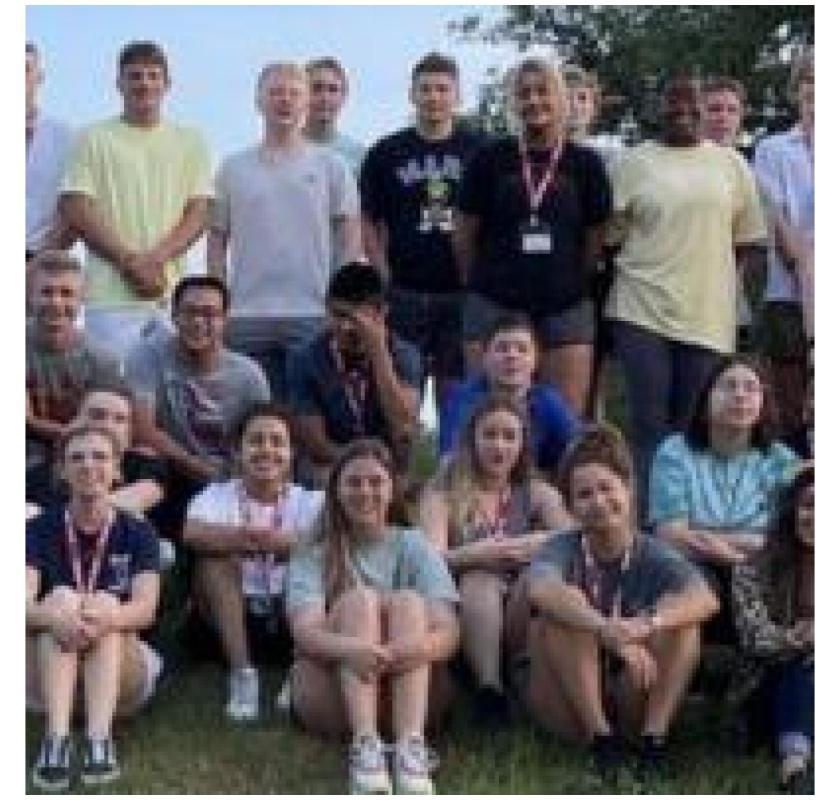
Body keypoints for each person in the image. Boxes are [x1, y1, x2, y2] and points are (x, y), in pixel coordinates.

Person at [605, 76, 766, 511]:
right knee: (649, 427)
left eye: (692, 106)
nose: (683, 114)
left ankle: (693, 526)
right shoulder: (632, 163)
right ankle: (646, 532)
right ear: (657, 111)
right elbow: (611, 236)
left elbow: (747, 241)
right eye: (673, 107)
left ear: (703, 109)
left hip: (708, 316)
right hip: (641, 307)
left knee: (695, 426)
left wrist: (729, 298)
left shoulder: (731, 165)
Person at [523, 425, 718, 777]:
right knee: (564, 609)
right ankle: (601, 741)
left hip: (632, 686)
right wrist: (604, 629)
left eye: (606, 489)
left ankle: (653, 741)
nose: (598, 502)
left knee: (681, 621)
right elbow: (540, 589)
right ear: (569, 506)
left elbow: (705, 597)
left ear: (628, 491)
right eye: (584, 495)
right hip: (570, 697)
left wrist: (647, 624)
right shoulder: (561, 547)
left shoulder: (654, 552)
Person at [285, 439, 460, 794]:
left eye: (376, 482)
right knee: (360, 602)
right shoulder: (313, 550)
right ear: (335, 491)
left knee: (409, 602)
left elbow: (449, 631)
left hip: (407, 688)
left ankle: (410, 747)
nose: (365, 491)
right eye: (353, 482)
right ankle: (365, 747)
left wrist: (404, 650)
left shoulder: (414, 544)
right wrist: (354, 650)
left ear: (392, 488)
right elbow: (304, 632)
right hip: (334, 690)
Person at [454, 56, 612, 415]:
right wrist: (478, 281)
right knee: (487, 420)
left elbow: (595, 236)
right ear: (513, 102)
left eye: (543, 92)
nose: (534, 101)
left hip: (565, 305)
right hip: (494, 303)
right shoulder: (488, 159)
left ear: (561, 99)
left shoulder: (586, 164)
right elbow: (464, 233)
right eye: (524, 93)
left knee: (563, 423)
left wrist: (571, 279)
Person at [208, 61, 361, 400]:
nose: (285, 101)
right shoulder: (232, 168)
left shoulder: (331, 167)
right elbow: (217, 237)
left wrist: (340, 299)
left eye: (294, 93)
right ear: (258, 100)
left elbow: (349, 234)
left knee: (309, 418)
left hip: (312, 313)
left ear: (306, 102)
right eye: (276, 92)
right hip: (246, 315)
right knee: (250, 416)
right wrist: (219, 301)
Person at [26, 425, 162, 791]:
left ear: (117, 469)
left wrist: (106, 617)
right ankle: (56, 740)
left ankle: (98, 741)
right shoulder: (36, 529)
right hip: (47, 675)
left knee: (106, 603)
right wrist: (56, 617)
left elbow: (146, 609)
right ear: (62, 471)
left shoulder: (138, 532)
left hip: (122, 680)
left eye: (100, 456)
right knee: (60, 599)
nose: (89, 465)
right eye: (77, 457)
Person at [419, 395, 570, 721]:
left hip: (520, 602)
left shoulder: (537, 492)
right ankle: (489, 687)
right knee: (479, 579)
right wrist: (474, 554)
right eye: (489, 435)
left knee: (536, 581)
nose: (498, 446)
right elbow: (429, 559)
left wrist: (527, 545)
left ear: (521, 444)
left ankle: (523, 676)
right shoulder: (442, 491)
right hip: (461, 606)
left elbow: (572, 538)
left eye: (509, 436)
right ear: (472, 440)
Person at [59, 40, 212, 359]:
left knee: (171, 395)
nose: (144, 83)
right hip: (108, 297)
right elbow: (76, 205)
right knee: (115, 391)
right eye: (135, 75)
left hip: (170, 294)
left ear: (167, 84)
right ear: (119, 83)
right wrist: (129, 261)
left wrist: (156, 259)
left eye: (153, 75)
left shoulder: (191, 140)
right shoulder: (92, 137)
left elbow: (199, 211)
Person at [182, 405, 323, 721]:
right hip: (228, 617)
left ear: (292, 453)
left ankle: (300, 670)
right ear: (237, 450)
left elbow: (330, 543)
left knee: (316, 560)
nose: (266, 450)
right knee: (214, 561)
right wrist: (270, 541)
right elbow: (193, 534)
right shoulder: (215, 495)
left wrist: (243, 540)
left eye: (277, 442)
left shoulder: (312, 501)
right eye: (256, 440)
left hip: (294, 616)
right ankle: (242, 674)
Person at [361, 52, 484, 407]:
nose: (434, 97)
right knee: (399, 400)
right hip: (405, 292)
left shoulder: (480, 150)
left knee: (457, 400)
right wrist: (382, 270)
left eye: (443, 89)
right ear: (412, 94)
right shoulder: (386, 152)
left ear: (457, 96)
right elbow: (368, 218)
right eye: (426, 89)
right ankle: (396, 465)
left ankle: (452, 463)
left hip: (460, 294)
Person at [648, 356, 799, 644]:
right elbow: (671, 536)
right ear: (706, 400)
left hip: (765, 576)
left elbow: (795, 536)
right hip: (693, 570)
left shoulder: (782, 461)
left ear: (763, 404)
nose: (740, 395)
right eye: (728, 386)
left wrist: (711, 541)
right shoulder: (675, 452)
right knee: (687, 586)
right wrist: (750, 545)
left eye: (751, 388)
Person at [125, 275, 271, 536]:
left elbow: (265, 435)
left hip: (229, 477)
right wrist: (197, 467)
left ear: (225, 320)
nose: (198, 322)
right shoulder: (148, 355)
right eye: (189, 312)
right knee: (141, 455)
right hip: (171, 470)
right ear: (174, 316)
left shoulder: (249, 375)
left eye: (210, 314)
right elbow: (142, 430)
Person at [287, 261, 425, 486]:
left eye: (355, 318)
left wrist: (379, 352)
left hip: (389, 465)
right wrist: (363, 464)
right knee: (322, 478)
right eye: (338, 315)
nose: (345, 327)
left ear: (382, 313)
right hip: (332, 461)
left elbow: (403, 424)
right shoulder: (305, 358)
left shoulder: (404, 354)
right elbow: (315, 443)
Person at [730, 464, 814, 792]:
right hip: (764, 690)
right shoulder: (752, 569)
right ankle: (795, 768)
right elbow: (755, 638)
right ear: (791, 511)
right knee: (805, 665)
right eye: (808, 505)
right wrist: (802, 638)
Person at [26, 251, 122, 506]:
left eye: (66, 293)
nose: (56, 302)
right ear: (29, 297)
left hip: (83, 452)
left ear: (82, 300)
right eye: (46, 292)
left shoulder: (103, 359)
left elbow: (103, 428)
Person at [753, 50, 815, 434]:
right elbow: (778, 225)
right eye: (810, 78)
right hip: (788, 298)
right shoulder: (773, 149)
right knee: (791, 413)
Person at [439, 313, 580, 474]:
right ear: (485, 357)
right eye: (502, 349)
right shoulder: (463, 398)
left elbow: (580, 447)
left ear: (536, 360)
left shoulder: (546, 400)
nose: (512, 356)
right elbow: (448, 460)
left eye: (522, 349)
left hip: (529, 487)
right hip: (473, 485)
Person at [27, 383, 167, 518]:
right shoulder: (36, 476)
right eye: (97, 415)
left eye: (120, 419)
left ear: (129, 433)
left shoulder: (144, 465)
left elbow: (144, 494)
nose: (108, 426)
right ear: (74, 422)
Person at [701, 77, 764, 353]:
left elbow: (750, 243)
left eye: (731, 110)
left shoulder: (750, 170)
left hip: (730, 295)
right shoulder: (677, 165)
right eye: (714, 109)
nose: (723, 117)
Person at [25, 42, 74, 261]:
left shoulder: (64, 136)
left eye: (25, 69)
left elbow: (74, 209)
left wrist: (40, 264)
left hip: (40, 260)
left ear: (39, 76)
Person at [304, 57, 367, 174]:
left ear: (343, 97)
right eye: (316, 88)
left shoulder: (360, 157)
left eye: (333, 90)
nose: (325, 98)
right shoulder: (279, 152)